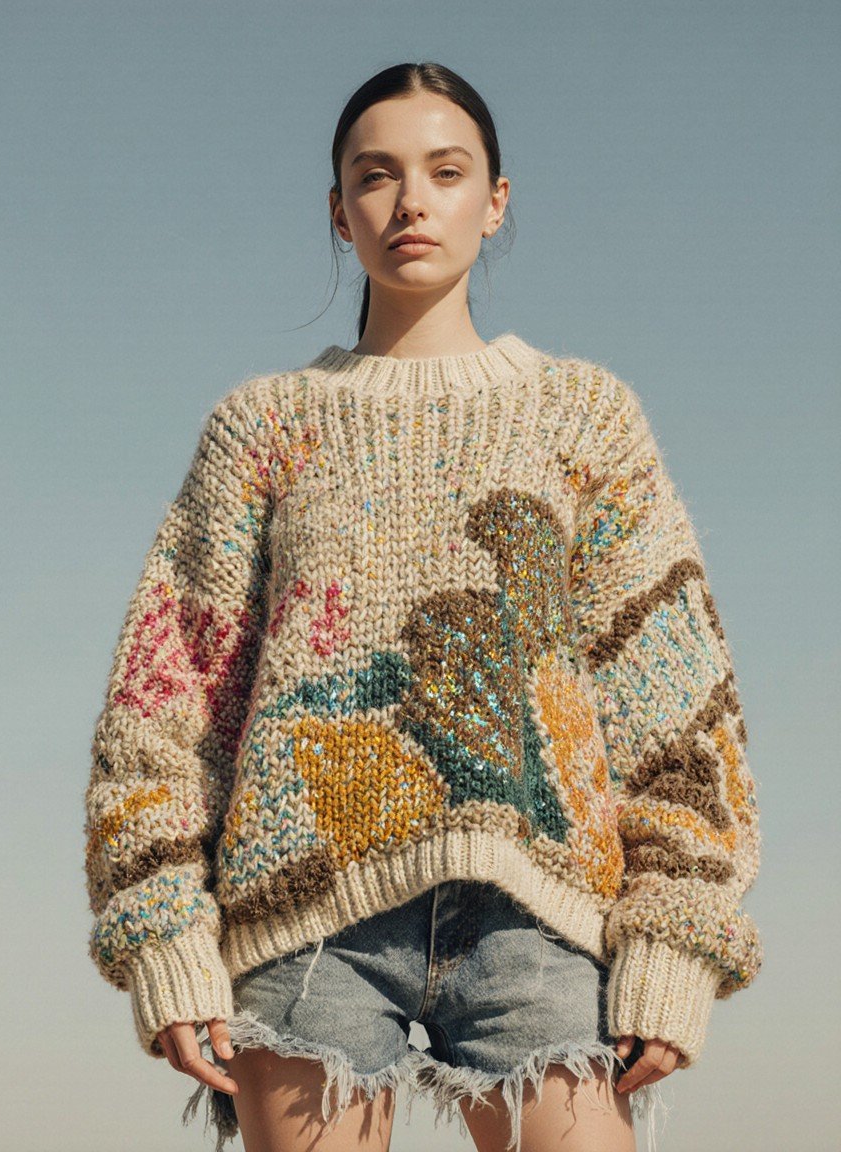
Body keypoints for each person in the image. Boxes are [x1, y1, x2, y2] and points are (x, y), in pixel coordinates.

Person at [83, 61, 763, 1152]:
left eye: (447, 173)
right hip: (304, 928)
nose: (411, 203)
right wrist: (161, 932)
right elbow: (169, 699)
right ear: (338, 209)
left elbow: (673, 698)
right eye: (376, 175)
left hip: (540, 916)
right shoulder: (263, 428)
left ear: (496, 202)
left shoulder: (582, 414)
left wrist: (677, 939)